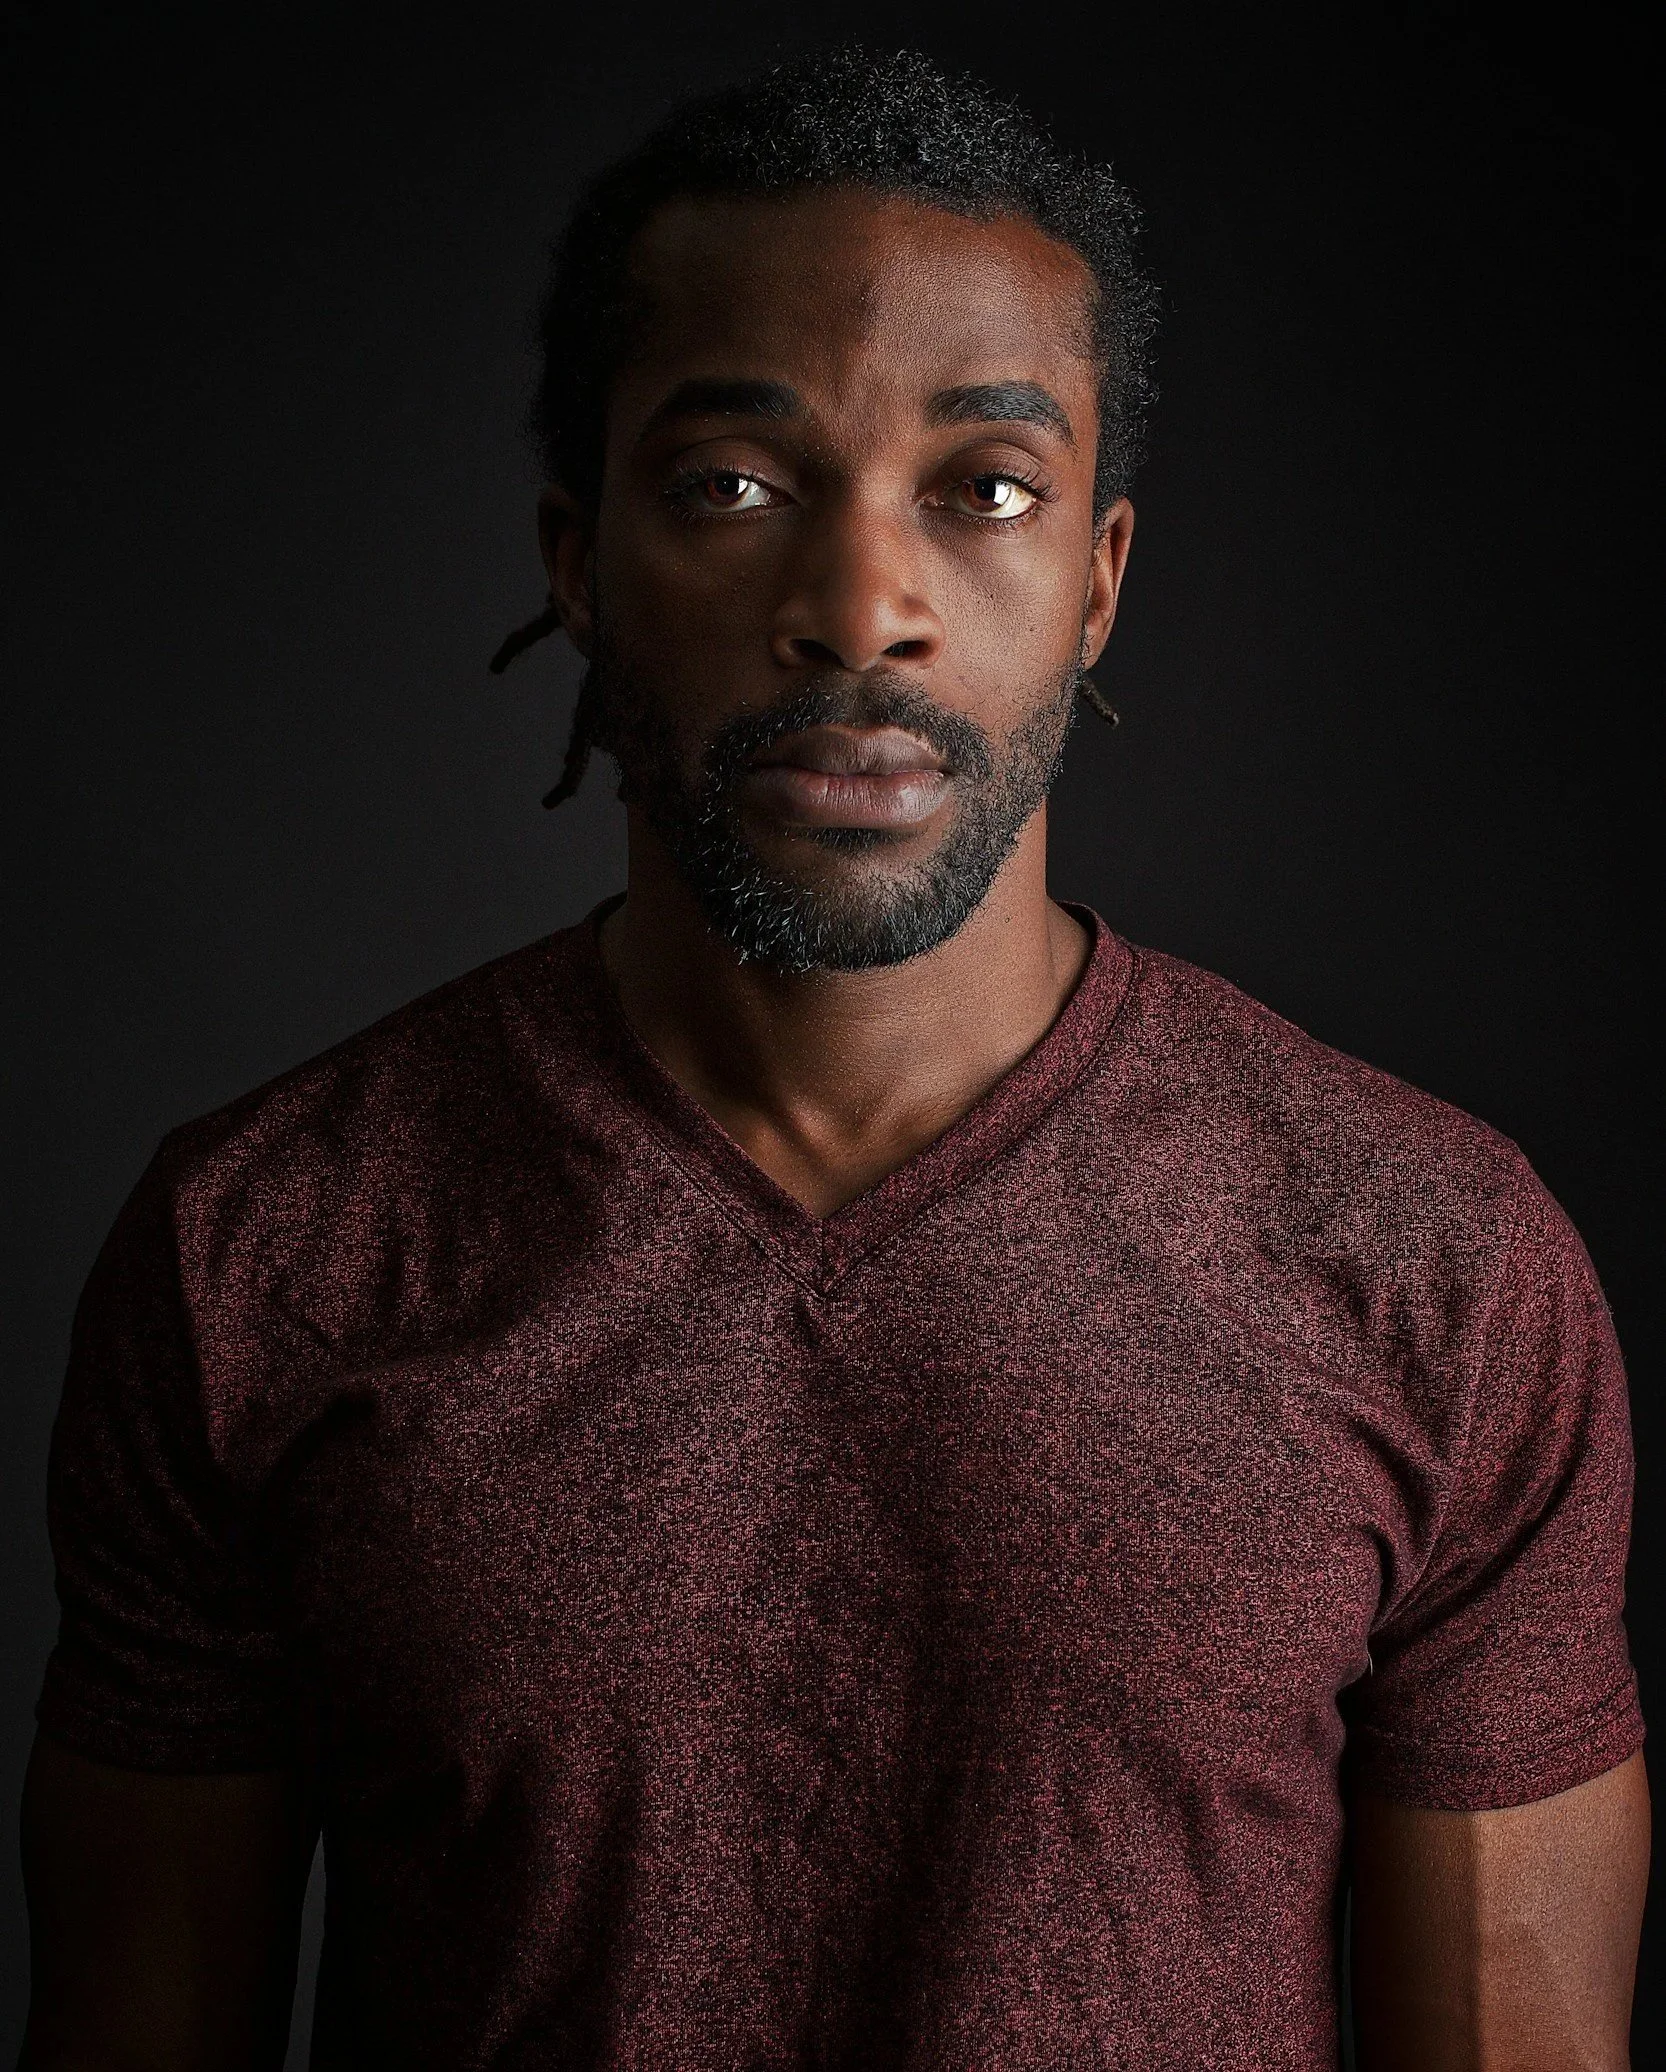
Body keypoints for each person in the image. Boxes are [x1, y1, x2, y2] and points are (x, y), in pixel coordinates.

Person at [19, 45, 1648, 2072]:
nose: (858, 602)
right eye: (732, 485)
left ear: (1095, 586)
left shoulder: (1434, 1263)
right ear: (576, 559)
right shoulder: (258, 1248)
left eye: (982, 490)